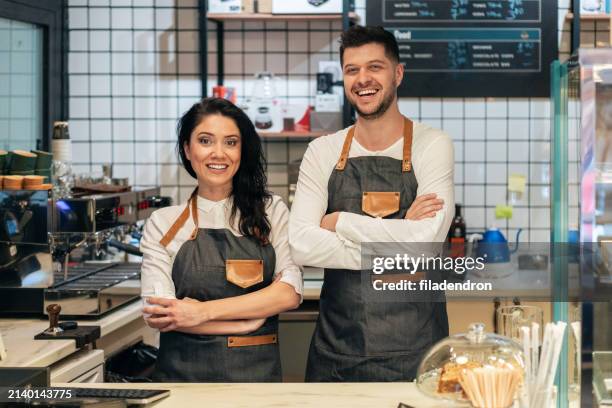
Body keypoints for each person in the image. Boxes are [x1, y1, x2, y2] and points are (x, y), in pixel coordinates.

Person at [289, 26, 454, 382]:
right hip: (338, 353)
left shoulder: (432, 145)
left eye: (375, 67)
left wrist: (340, 223)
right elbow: (301, 244)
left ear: (397, 73)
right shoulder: (323, 151)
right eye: (352, 70)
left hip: (419, 353)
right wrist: (400, 242)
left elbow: (426, 245)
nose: (363, 79)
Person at [141, 97, 302, 382]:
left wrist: (200, 312)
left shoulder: (271, 212)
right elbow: (162, 316)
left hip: (255, 387)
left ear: (242, 151)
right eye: (205, 141)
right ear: (187, 150)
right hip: (181, 385)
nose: (218, 153)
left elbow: (288, 294)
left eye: (230, 142)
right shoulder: (162, 224)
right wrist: (250, 320)